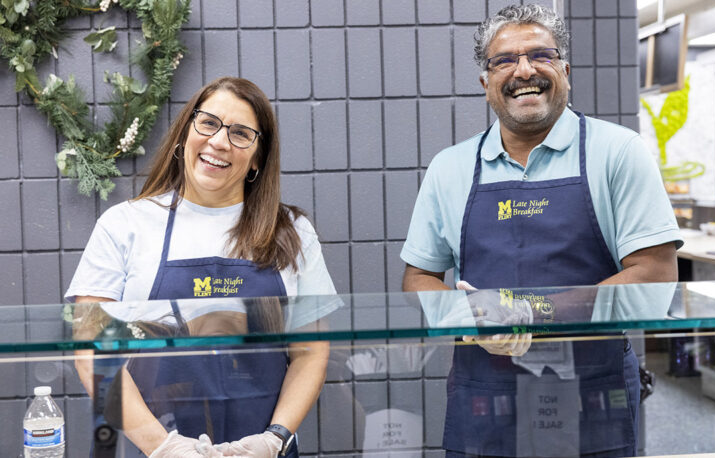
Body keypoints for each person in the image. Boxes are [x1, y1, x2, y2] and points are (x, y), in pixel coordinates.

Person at [401, 4, 682, 457]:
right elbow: (419, 278)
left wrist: (527, 310)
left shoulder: (618, 152)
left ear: (565, 71)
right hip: (484, 393)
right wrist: (471, 319)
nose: (524, 70)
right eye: (504, 60)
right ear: (485, 83)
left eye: (540, 55)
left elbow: (654, 272)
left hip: (593, 393)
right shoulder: (449, 168)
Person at [67, 76, 335, 457]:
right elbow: (91, 355)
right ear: (185, 131)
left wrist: (273, 439)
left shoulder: (292, 232)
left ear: (258, 157)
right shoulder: (123, 225)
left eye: (241, 133)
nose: (219, 141)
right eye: (208, 123)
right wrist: (164, 447)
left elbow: (311, 354)